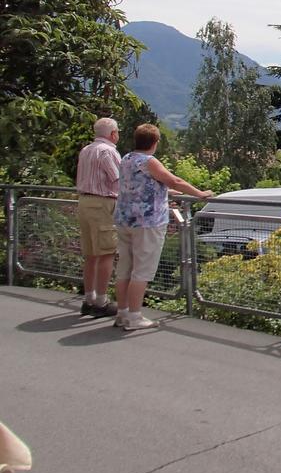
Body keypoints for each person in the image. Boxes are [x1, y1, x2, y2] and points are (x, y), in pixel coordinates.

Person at [113, 123, 214, 331]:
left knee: (125, 267)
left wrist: (165, 191)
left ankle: (122, 312)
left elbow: (141, 186)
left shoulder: (127, 159)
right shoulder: (148, 161)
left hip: (124, 219)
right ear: (155, 142)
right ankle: (135, 316)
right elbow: (174, 180)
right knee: (142, 270)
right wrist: (200, 194)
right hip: (147, 223)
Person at [75, 117, 121, 317]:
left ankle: (89, 299)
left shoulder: (86, 150)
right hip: (102, 203)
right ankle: (102, 302)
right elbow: (118, 178)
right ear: (112, 134)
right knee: (107, 253)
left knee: (91, 254)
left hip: (84, 202)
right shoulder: (108, 151)